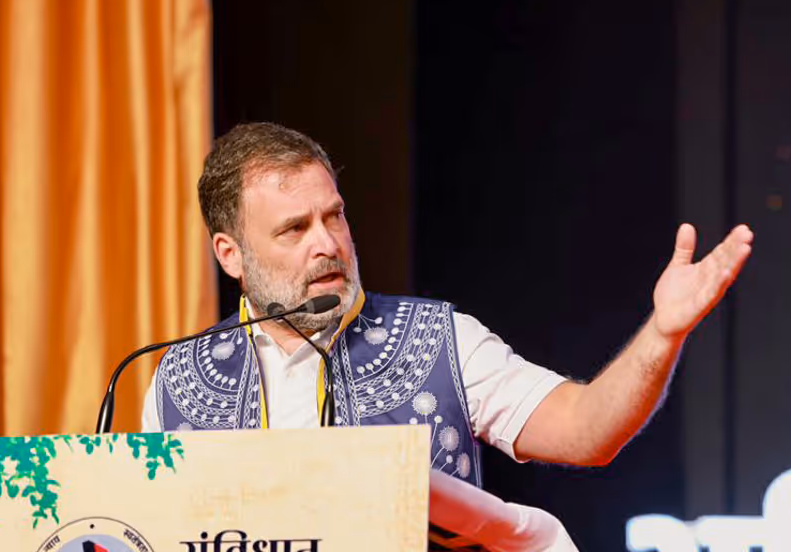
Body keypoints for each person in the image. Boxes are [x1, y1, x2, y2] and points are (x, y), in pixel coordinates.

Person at [141, 122, 753, 483]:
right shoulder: (179, 379)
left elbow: (586, 430)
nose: (327, 243)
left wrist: (663, 334)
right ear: (230, 255)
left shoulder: (442, 341)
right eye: (294, 229)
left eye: (335, 216)